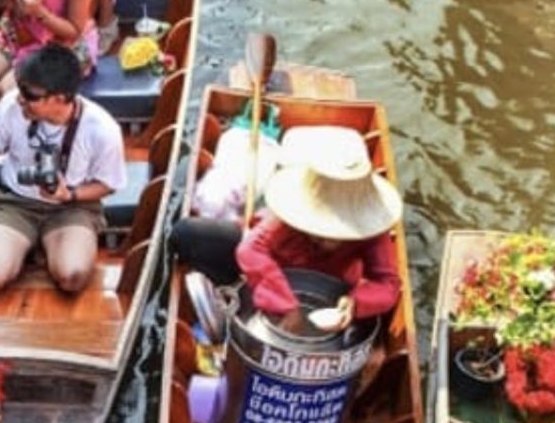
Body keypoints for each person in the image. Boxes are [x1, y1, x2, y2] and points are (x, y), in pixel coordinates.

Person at [0, 43, 126, 294]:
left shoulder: (102, 129)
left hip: (71, 208)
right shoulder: (11, 107)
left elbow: (108, 185)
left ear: (59, 98)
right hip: (15, 202)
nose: (20, 98)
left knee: (72, 276)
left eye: (30, 95)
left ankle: (40, 247)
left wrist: (70, 194)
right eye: (20, 88)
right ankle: (30, 246)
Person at [173, 125, 404, 331]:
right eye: (321, 232)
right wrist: (286, 305)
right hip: (274, 271)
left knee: (368, 331)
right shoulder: (293, 209)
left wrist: (355, 303)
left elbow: (388, 283)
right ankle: (236, 294)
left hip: (329, 286)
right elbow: (251, 249)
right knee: (187, 234)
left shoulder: (371, 226)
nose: (326, 241)